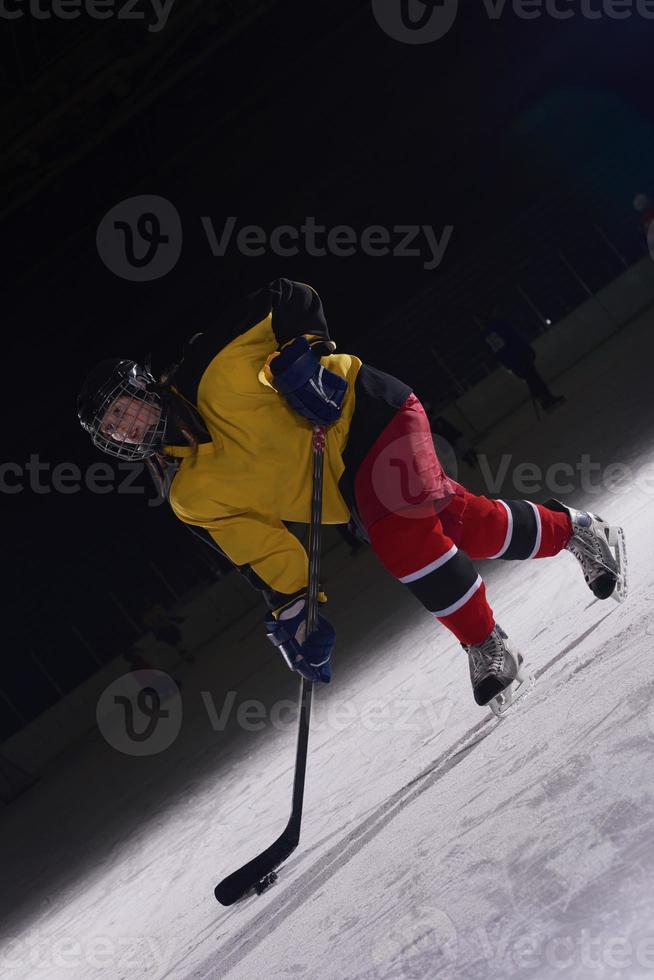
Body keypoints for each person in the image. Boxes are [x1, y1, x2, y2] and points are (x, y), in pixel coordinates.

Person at [78, 279, 624, 710]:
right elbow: (263, 553)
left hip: (369, 414)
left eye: (124, 407)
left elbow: (289, 296)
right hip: (348, 488)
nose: (126, 426)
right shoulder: (190, 494)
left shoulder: (208, 364)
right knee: (463, 526)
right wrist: (297, 615)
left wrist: (302, 356)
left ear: (143, 387)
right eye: (113, 429)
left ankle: (485, 642)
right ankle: (576, 531)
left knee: (403, 540)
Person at [480, 314, 565, 414]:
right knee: (534, 378)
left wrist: (509, 365)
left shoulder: (486, 335)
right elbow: (514, 338)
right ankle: (547, 399)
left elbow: (496, 352)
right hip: (519, 356)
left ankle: (544, 400)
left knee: (531, 380)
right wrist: (527, 351)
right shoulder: (500, 324)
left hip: (511, 361)